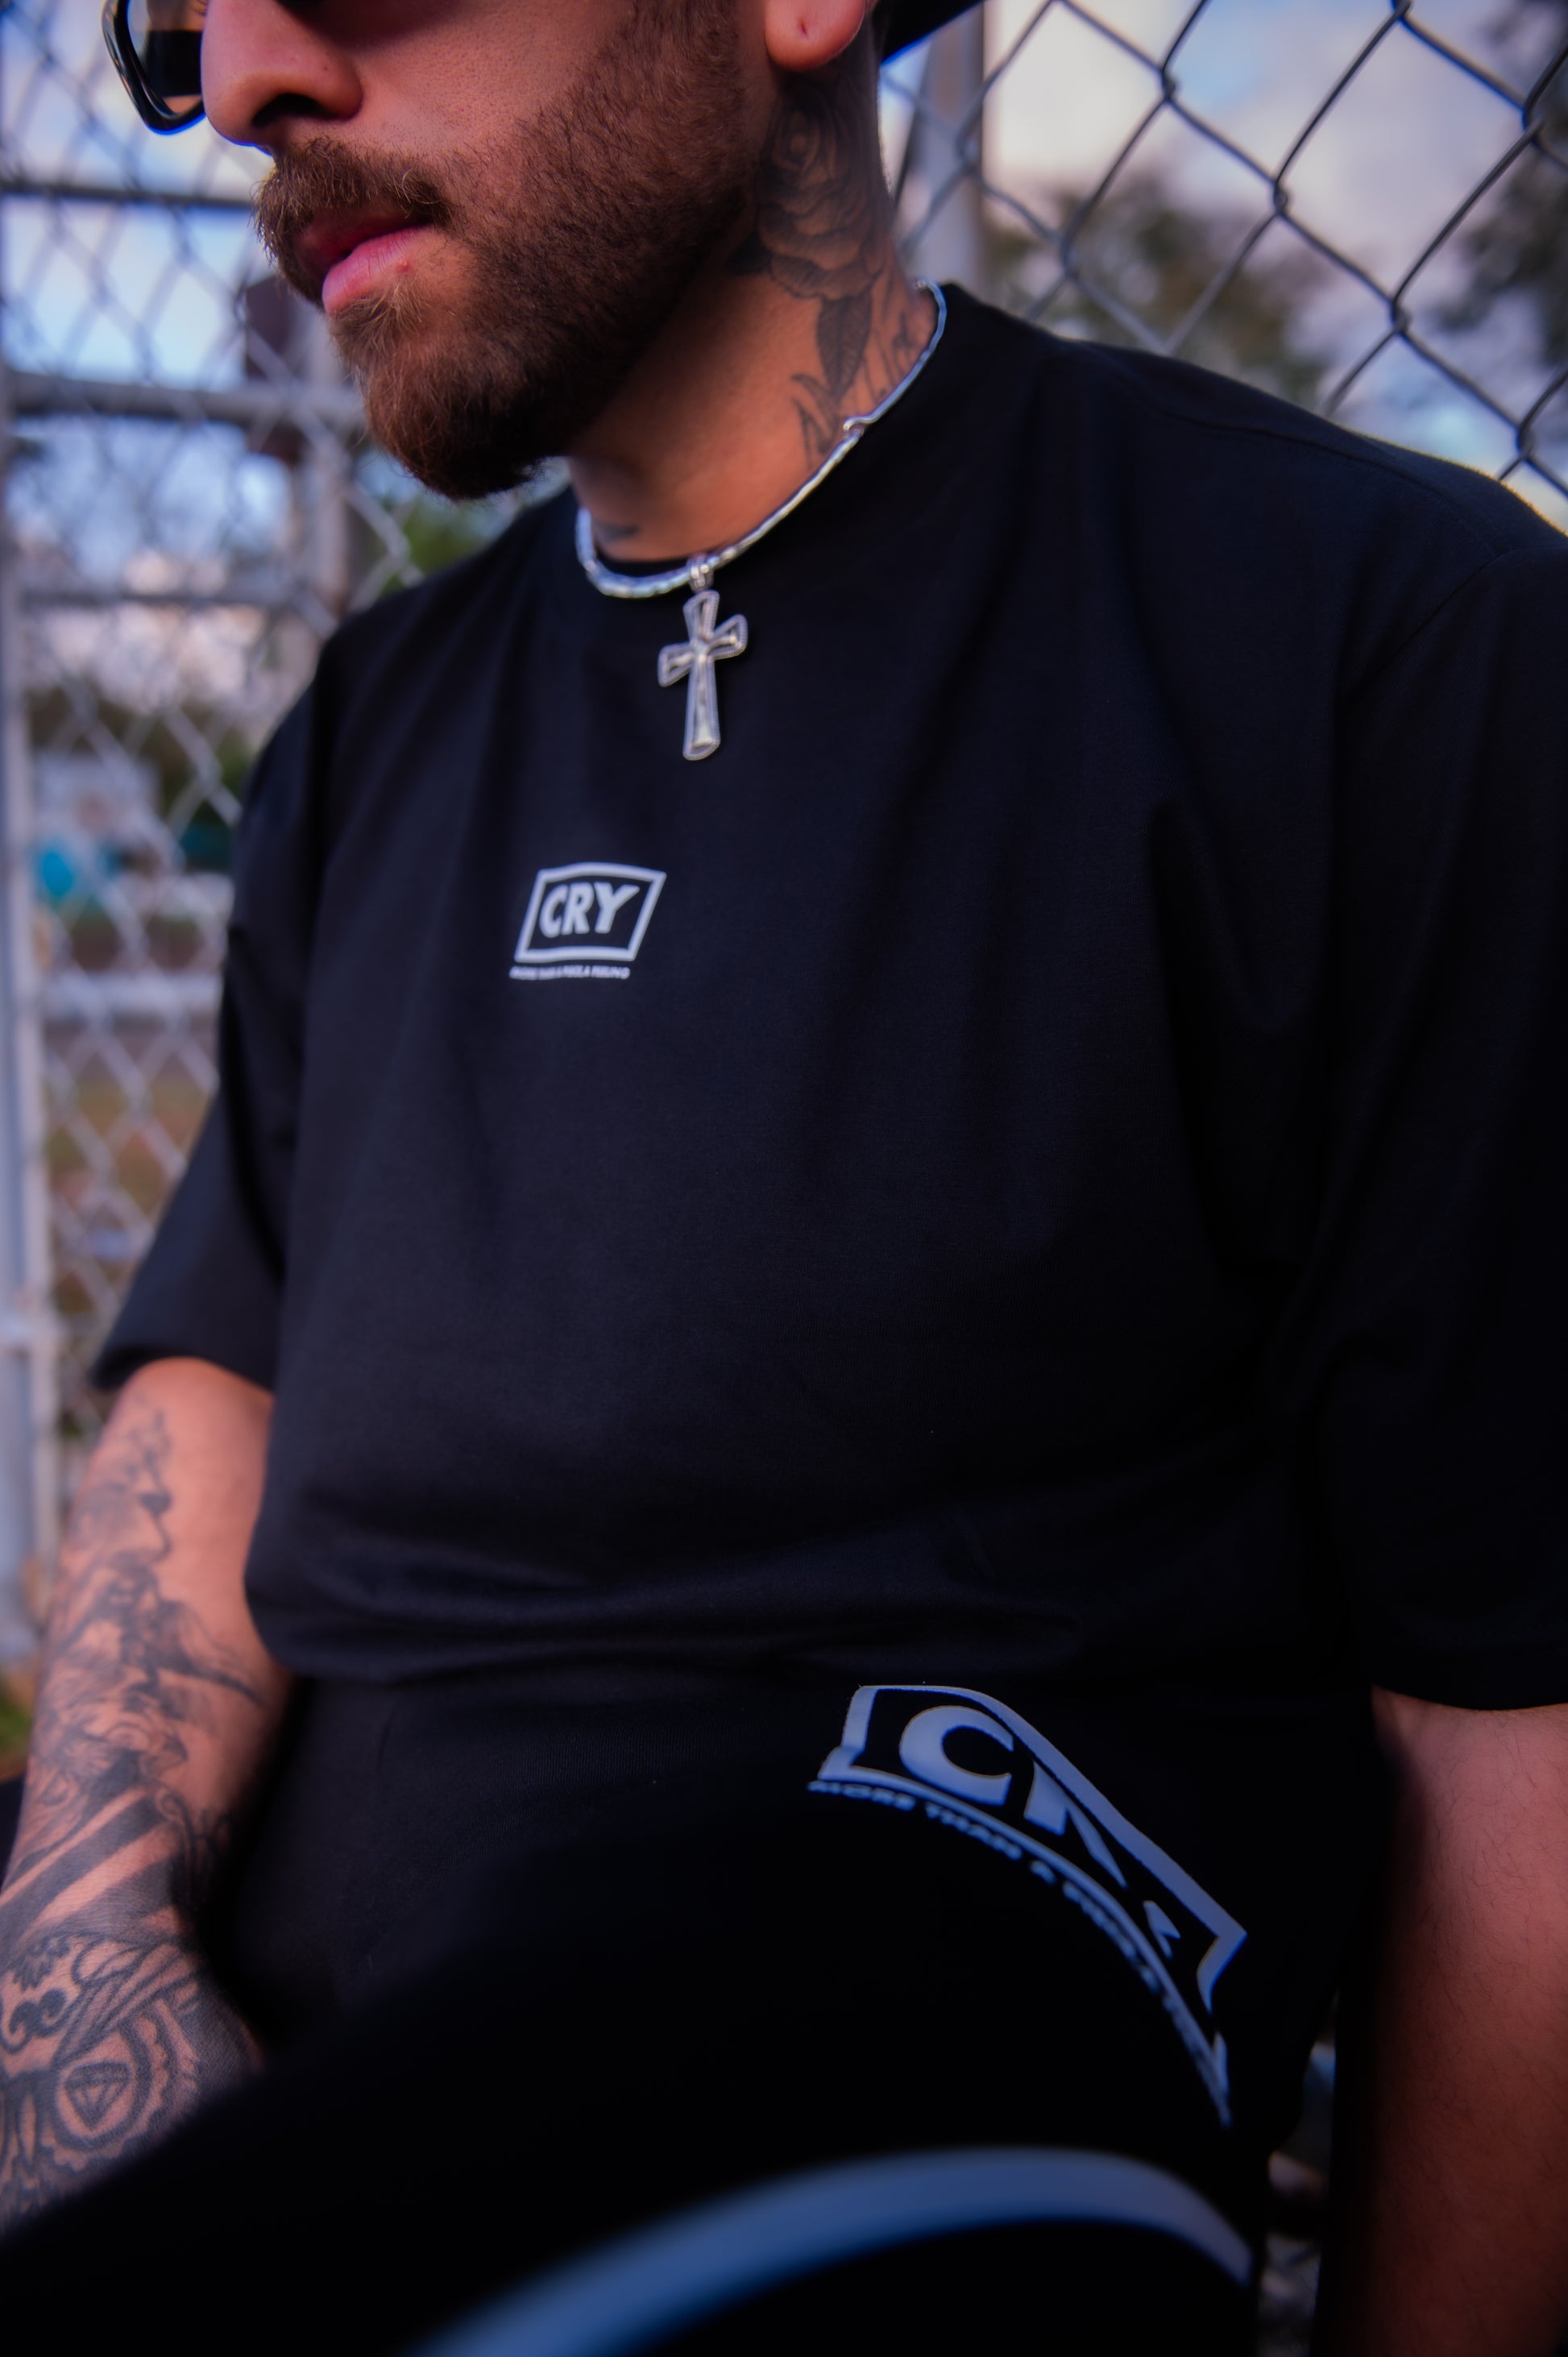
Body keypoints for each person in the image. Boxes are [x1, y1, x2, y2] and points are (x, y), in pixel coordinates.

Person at [2, 1, 1567, 2348]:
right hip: (279, 2019)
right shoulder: (374, 727)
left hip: (905, 1972)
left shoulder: (1378, 648)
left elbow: (1513, 1714)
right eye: (167, 16)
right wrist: (81, 1981)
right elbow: (216, 1380)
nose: (237, 80)